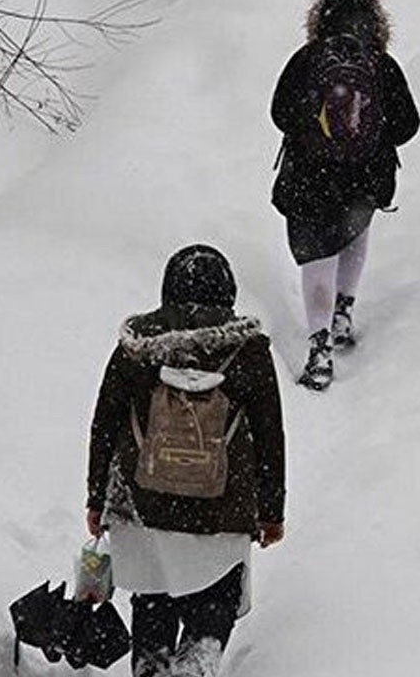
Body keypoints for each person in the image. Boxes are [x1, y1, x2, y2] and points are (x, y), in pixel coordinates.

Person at [86, 244, 286, 677]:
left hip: (143, 504)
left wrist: (96, 498)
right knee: (214, 600)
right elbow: (271, 436)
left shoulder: (138, 348)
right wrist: (271, 512)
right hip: (222, 509)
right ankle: (197, 661)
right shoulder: (249, 351)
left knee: (153, 596)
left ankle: (151, 666)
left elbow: (105, 424)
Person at [270, 0, 420, 390]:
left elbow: (279, 113)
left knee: (316, 258)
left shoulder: (307, 59)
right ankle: (343, 312)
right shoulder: (382, 65)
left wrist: (314, 131)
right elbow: (409, 125)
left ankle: (319, 347)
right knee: (354, 231)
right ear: (375, 23)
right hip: (363, 180)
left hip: (309, 180)